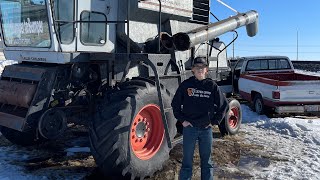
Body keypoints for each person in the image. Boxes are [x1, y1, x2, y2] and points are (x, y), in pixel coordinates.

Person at [171, 56, 228, 180]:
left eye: (202, 67)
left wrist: (214, 122)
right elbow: (175, 104)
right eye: (197, 67)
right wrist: (182, 120)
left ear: (206, 70)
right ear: (193, 69)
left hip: (206, 129)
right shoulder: (186, 85)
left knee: (207, 162)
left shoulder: (212, 86)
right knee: (186, 162)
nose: (200, 69)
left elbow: (224, 105)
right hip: (190, 129)